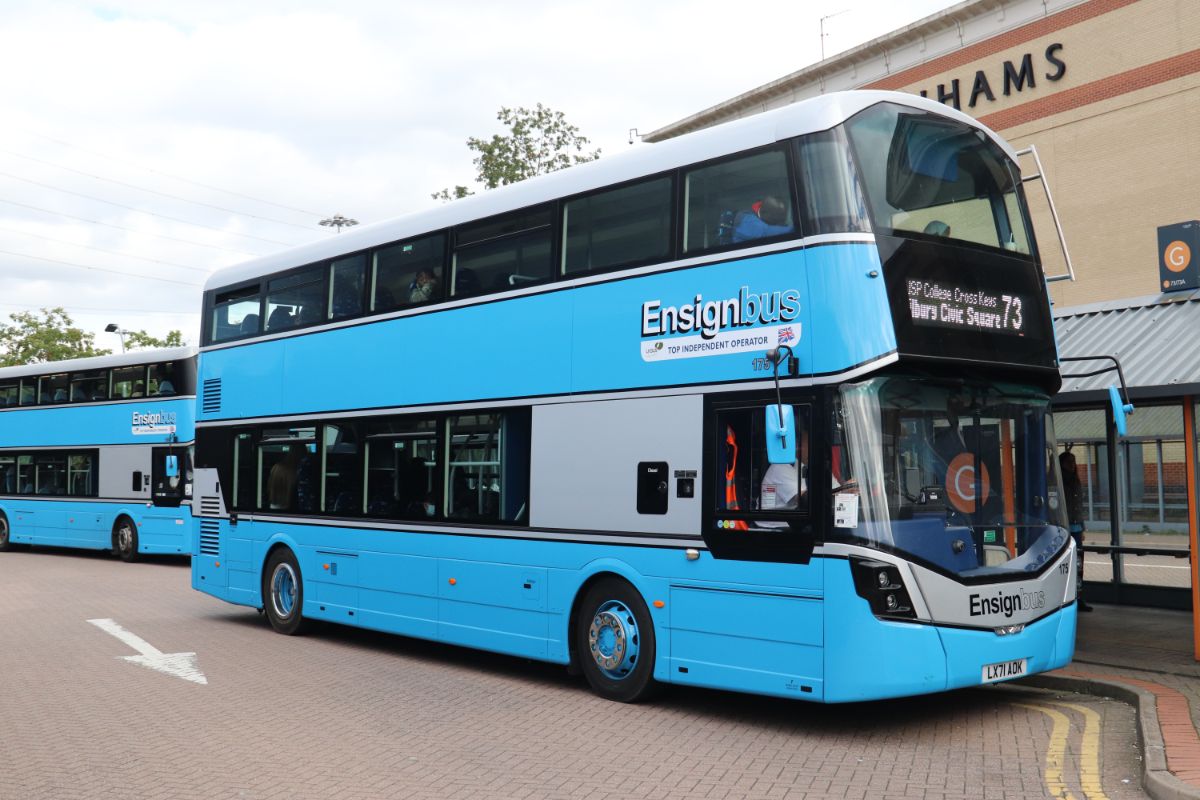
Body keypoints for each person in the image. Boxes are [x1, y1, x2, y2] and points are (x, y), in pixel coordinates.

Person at [1059, 449, 1092, 611]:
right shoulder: (1060, 481)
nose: (1073, 465)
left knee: (1078, 564)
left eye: (1074, 461)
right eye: (1069, 462)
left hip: (1076, 526)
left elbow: (1079, 506)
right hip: (1065, 528)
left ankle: (1078, 596)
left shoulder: (1075, 481)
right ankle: (1069, 598)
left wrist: (1082, 527)